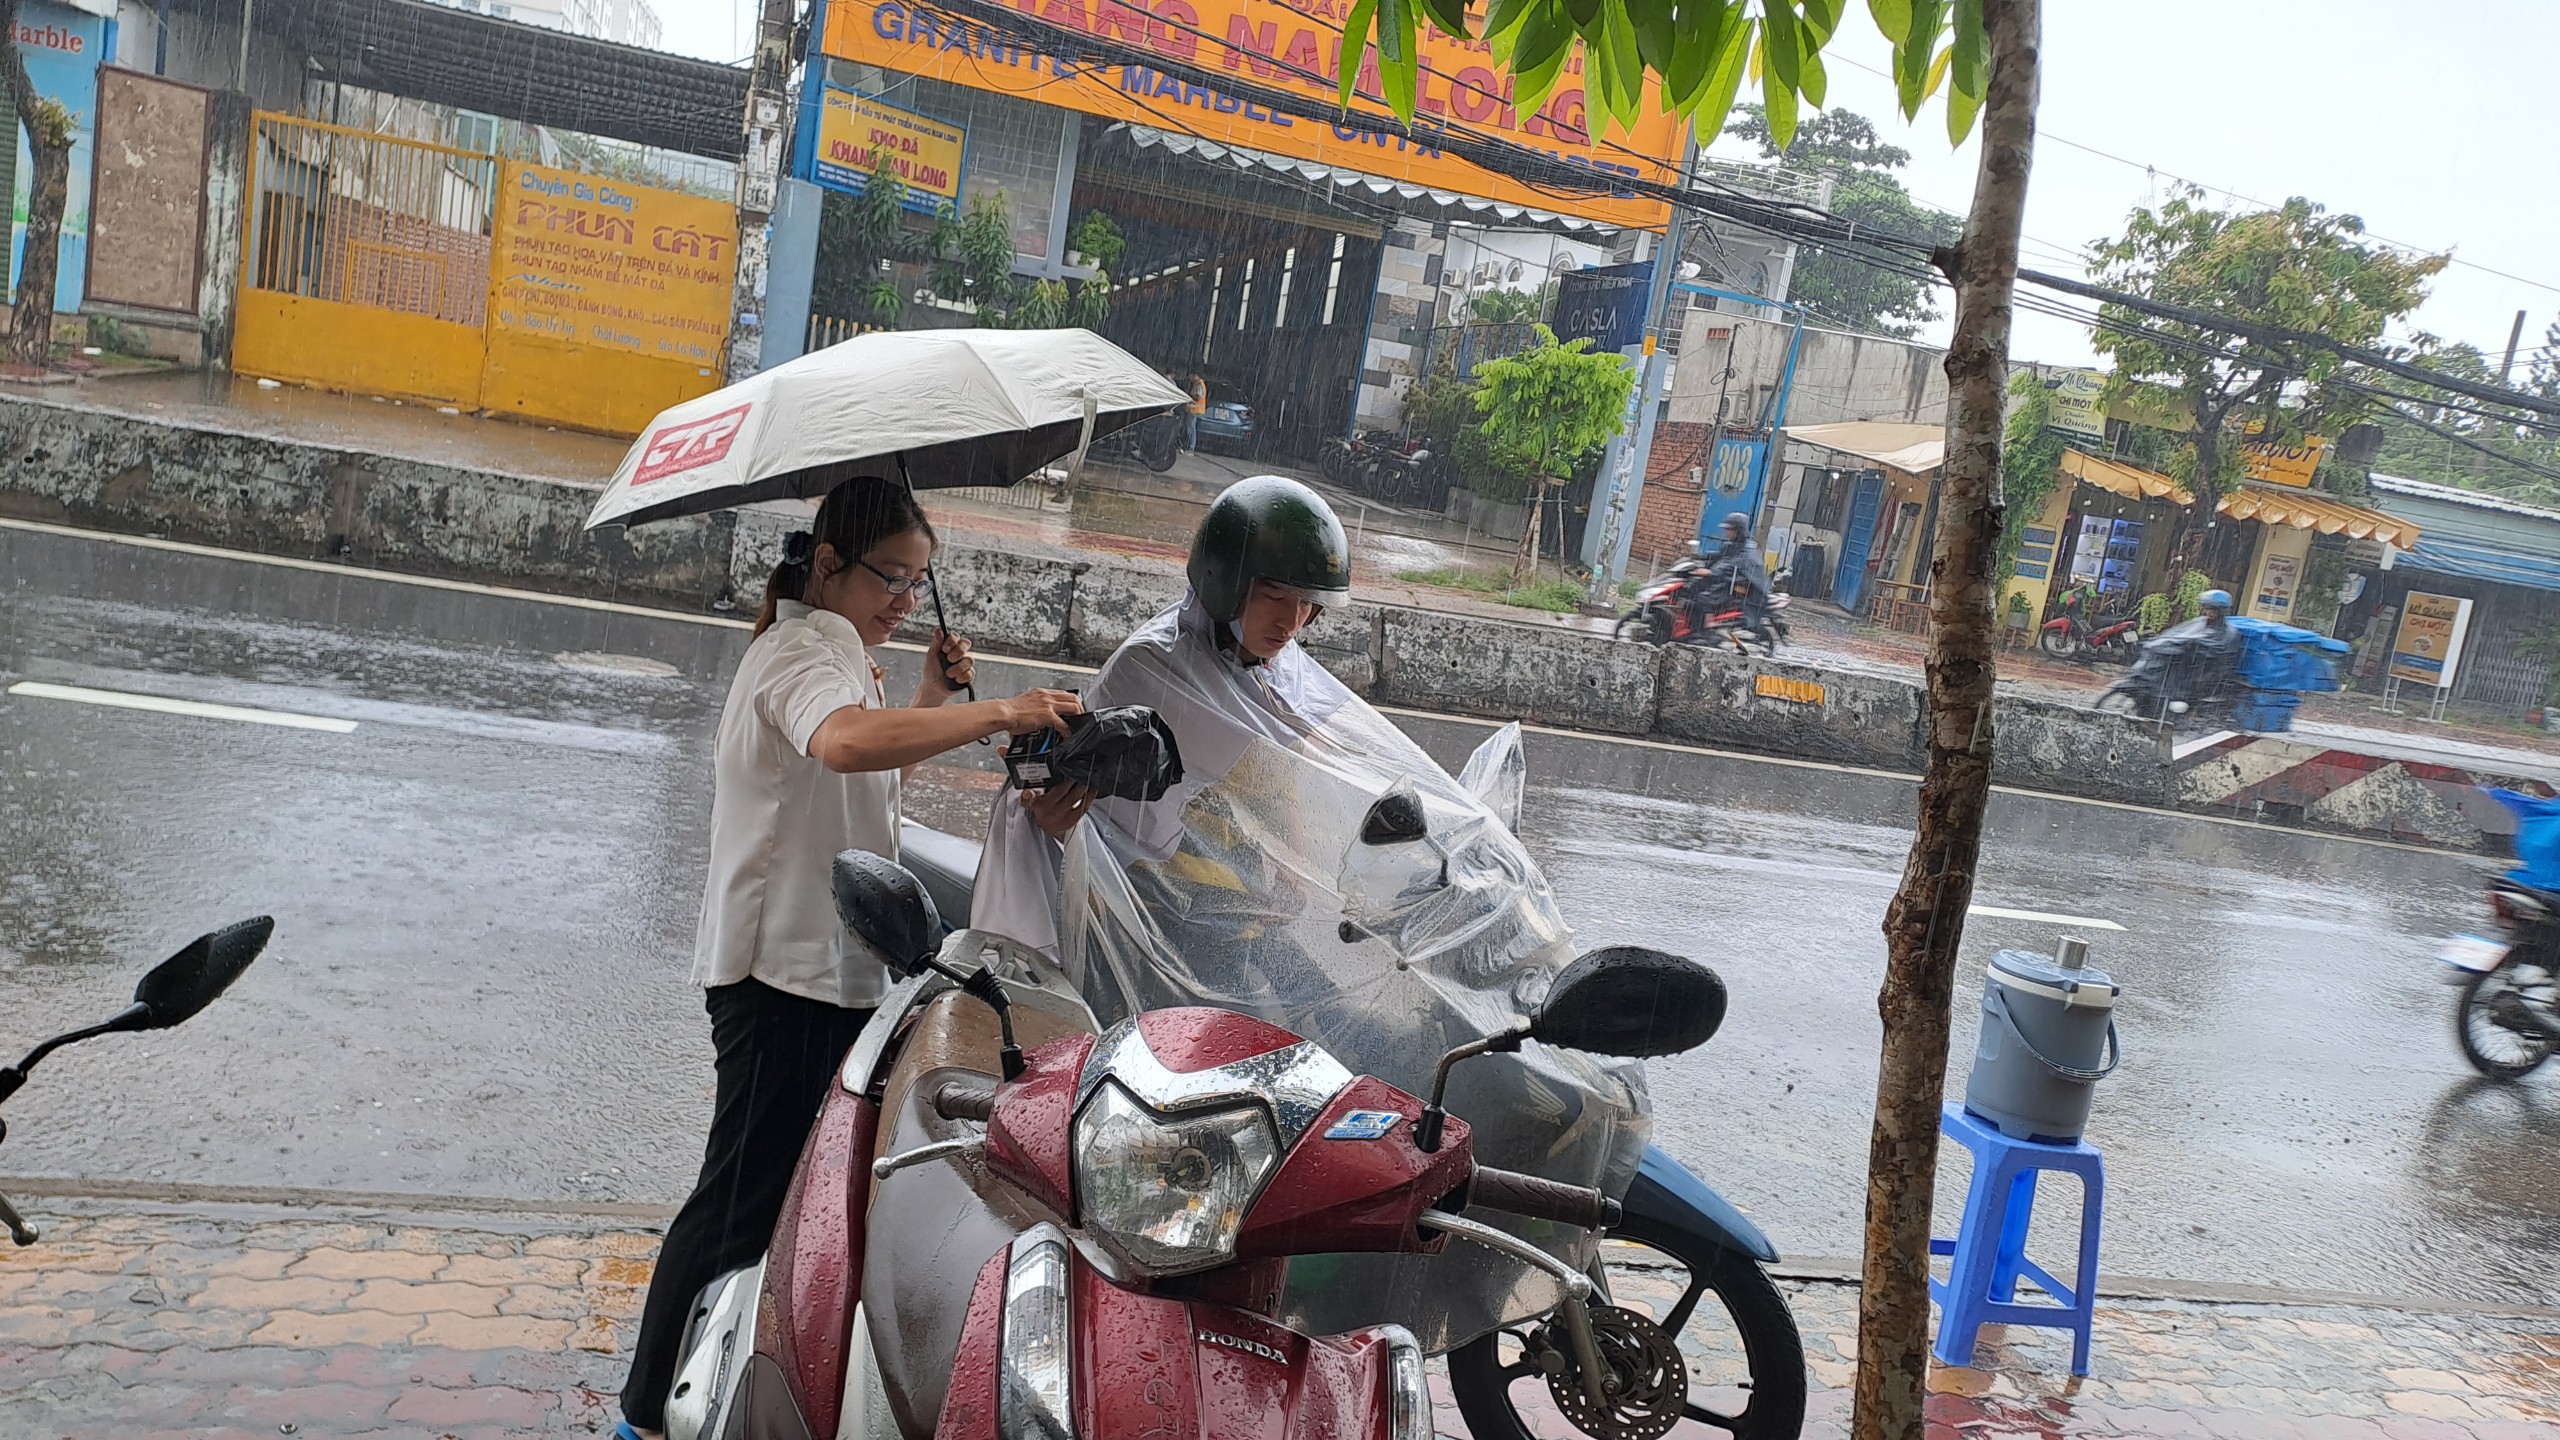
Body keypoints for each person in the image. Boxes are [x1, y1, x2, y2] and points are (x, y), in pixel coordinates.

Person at [617, 478, 1080, 1440]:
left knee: (779, 1202)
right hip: (779, 978)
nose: (905, 600)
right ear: (828, 563)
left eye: (918, 583)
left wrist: (928, 698)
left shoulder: (841, 654)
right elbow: (839, 745)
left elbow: (865, 778)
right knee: (738, 1204)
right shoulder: (800, 654)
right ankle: (642, 1414)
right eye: (890, 577)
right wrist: (997, 712)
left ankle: (723, 1388)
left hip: (822, 976)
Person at [972, 473, 1351, 957]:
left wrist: (1294, 868)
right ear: (1225, 582)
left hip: (1237, 905)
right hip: (1143, 912)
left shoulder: (1275, 665)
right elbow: (1258, 769)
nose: (1291, 622)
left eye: (1307, 605)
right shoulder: (1156, 667)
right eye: (1275, 597)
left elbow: (1285, 775)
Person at [1692, 511, 1771, 639]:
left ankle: (1707, 630)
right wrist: (1697, 559)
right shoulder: (1733, 545)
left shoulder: (1747, 550)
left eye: (1730, 529)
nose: (1727, 532)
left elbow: (1732, 566)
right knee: (1694, 586)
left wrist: (1711, 572)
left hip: (1742, 588)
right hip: (1729, 580)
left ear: (1739, 530)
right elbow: (1718, 556)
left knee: (1704, 597)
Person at [1184, 371, 1209, 452]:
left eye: (1191, 376)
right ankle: (1189, 446)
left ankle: (1190, 448)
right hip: (1195, 409)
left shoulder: (1199, 384)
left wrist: (1189, 396)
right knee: (1191, 428)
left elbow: (1198, 397)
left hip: (1194, 409)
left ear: (1195, 376)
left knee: (1191, 429)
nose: (1190, 378)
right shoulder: (1200, 383)